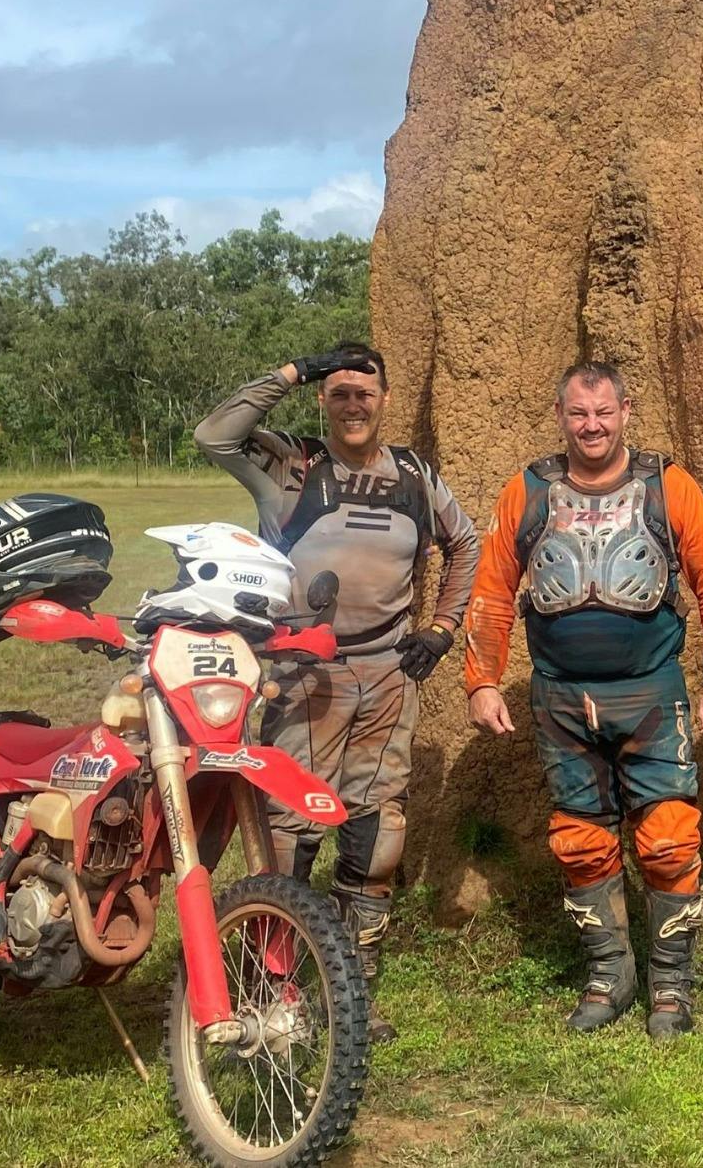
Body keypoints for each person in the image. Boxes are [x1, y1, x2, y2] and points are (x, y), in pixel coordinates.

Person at [194, 342, 478, 1042]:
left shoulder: (412, 474)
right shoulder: (292, 464)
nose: (354, 405)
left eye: (365, 393)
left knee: (377, 831)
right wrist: (295, 368)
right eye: (340, 393)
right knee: (289, 834)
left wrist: (440, 628)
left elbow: (466, 544)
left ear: (384, 400)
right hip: (302, 675)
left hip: (389, 673)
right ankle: (274, 988)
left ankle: (352, 990)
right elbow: (212, 434)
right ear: (324, 400)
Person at [464, 361, 703, 1039]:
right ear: (560, 416)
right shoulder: (527, 491)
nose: (592, 426)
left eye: (604, 412)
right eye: (578, 414)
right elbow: (493, 589)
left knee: (671, 839)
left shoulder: (668, 486)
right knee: (581, 842)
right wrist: (480, 679)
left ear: (626, 411)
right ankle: (609, 975)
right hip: (561, 699)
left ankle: (672, 988)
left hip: (652, 694)